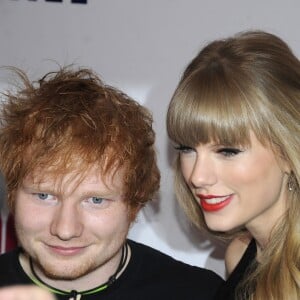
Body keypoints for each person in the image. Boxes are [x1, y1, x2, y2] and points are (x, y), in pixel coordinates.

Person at [0, 66, 223, 300]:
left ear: (135, 204)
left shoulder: (199, 294)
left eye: (95, 200)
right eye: (44, 196)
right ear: (12, 195)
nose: (65, 230)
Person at [166, 30, 300, 300]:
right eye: (187, 148)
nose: (197, 177)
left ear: (288, 150)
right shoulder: (240, 254)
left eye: (227, 151)